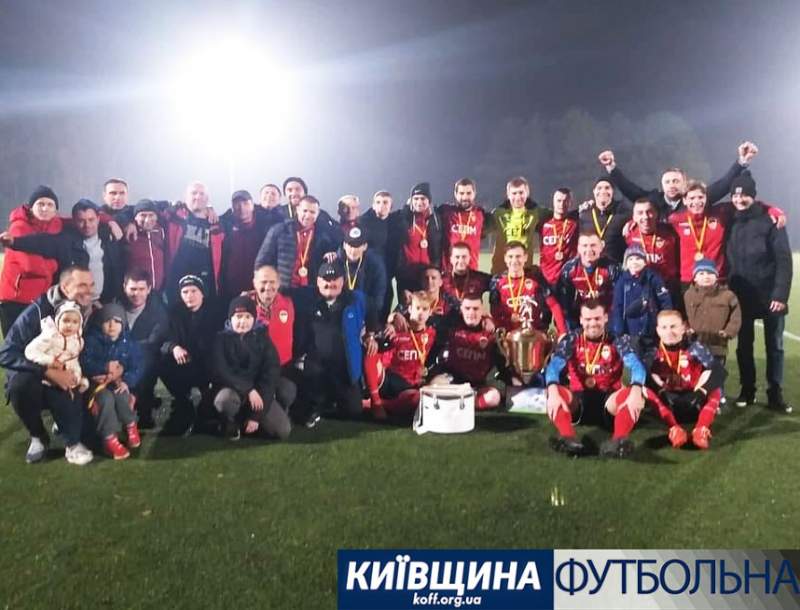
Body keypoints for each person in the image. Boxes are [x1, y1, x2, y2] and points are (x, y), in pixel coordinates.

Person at [0, 266, 95, 465]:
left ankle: (68, 432)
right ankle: (38, 436)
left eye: (91, 285)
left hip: (69, 371)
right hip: (35, 374)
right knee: (19, 385)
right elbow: (7, 353)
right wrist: (46, 371)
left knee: (91, 434)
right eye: (82, 285)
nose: (89, 291)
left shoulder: (89, 309)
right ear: (65, 287)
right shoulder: (36, 311)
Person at [725, 173, 793, 413]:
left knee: (774, 346)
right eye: (735, 195)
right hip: (741, 296)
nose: (739, 199)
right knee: (744, 347)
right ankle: (748, 390)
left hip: (770, 296)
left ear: (753, 196)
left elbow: (784, 260)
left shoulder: (770, 220)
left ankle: (775, 394)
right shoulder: (728, 219)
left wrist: (780, 295)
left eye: (744, 195)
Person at [544, 300, 647, 458]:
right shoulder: (572, 339)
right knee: (553, 390)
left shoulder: (617, 340)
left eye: (597, 318)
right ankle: (568, 438)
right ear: (581, 320)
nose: (592, 323)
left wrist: (636, 390)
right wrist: (552, 390)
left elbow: (637, 367)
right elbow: (553, 368)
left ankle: (618, 441)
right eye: (588, 319)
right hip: (578, 402)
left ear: (606, 318)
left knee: (634, 393)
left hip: (608, 402)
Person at [297, 261, 378, 426]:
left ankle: (333, 401)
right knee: (307, 410)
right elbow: (282, 291)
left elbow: (373, 309)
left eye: (335, 279)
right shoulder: (307, 298)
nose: (330, 284)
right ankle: (320, 402)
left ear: (342, 281)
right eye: (326, 280)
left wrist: (371, 335)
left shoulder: (355, 299)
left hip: (345, 371)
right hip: (317, 370)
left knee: (354, 411)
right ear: (318, 281)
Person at [0, 199, 124, 304]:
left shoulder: (110, 239)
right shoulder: (65, 241)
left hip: (103, 302)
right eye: (81, 221)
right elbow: (41, 242)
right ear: (74, 221)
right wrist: (15, 241)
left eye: (91, 220)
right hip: (72, 303)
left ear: (98, 219)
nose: (87, 225)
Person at [597, 142, 758, 218]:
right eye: (667, 182)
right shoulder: (654, 200)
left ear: (684, 183)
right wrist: (611, 167)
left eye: (675, 181)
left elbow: (723, 185)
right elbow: (630, 189)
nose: (671, 185)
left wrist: (741, 162)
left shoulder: (694, 199)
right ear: (662, 185)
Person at [211, 296, 291, 441]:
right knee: (224, 400)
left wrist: (256, 417)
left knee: (283, 431)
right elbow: (222, 372)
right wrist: (248, 389)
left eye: (248, 317)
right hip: (233, 391)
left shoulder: (264, 339)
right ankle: (230, 421)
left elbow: (270, 376)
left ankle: (248, 420)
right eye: (238, 316)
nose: (243, 321)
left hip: (258, 394)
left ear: (254, 319)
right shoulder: (220, 340)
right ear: (230, 318)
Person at [643, 310, 725, 450]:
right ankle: (674, 429)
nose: (669, 332)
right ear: (658, 330)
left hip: (694, 401)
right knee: (644, 387)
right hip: (668, 403)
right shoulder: (653, 351)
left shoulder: (695, 347)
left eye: (673, 326)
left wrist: (701, 392)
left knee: (715, 386)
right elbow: (644, 376)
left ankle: (701, 429)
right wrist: (661, 390)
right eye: (664, 327)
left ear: (684, 327)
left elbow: (719, 372)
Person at [81, 303, 143, 460]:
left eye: (116, 321)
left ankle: (130, 425)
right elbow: (85, 363)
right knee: (105, 399)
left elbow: (136, 366)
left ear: (123, 324)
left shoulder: (128, 342)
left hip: (118, 382)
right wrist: (103, 367)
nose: (112, 325)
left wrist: (127, 381)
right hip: (97, 385)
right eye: (107, 321)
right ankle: (109, 438)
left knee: (122, 395)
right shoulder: (92, 341)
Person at [0, 185, 63, 334]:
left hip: (39, 300)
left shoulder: (55, 225)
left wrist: (109, 221)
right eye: (40, 204)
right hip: (16, 299)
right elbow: (30, 265)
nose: (45, 208)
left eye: (50, 205)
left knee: (37, 345)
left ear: (55, 210)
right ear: (30, 207)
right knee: (15, 344)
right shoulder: (19, 227)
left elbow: (77, 218)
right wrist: (55, 264)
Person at [159, 275, 216, 435]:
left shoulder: (214, 312)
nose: (189, 296)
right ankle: (183, 401)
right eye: (185, 292)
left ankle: (207, 403)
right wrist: (174, 347)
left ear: (202, 293)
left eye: (193, 291)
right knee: (161, 360)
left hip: (208, 365)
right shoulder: (174, 313)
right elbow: (164, 338)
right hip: (184, 363)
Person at [369, 291, 439, 418]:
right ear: (410, 309)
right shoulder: (397, 331)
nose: (420, 313)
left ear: (430, 312)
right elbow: (382, 358)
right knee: (371, 356)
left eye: (424, 309)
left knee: (419, 398)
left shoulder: (432, 333)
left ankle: (378, 404)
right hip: (390, 380)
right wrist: (392, 319)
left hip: (412, 385)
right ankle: (376, 402)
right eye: (417, 308)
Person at [114, 269, 169, 428]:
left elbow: (153, 342)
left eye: (141, 289)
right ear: (124, 287)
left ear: (149, 289)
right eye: (132, 289)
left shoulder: (159, 310)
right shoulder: (114, 307)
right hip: (117, 355)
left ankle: (142, 407)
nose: (136, 294)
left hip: (146, 357)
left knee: (145, 361)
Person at [431, 294, 505, 410]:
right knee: (435, 386)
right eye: (467, 308)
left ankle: (461, 404)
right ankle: (462, 403)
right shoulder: (452, 324)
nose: (471, 312)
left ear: (482, 310)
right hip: (452, 381)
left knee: (493, 398)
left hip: (479, 385)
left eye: (475, 309)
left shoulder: (491, 333)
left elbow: (502, 362)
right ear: (461, 310)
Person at [683, 259, 741, 404]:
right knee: (697, 371)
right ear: (695, 277)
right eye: (701, 273)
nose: (706, 276)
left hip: (717, 344)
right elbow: (682, 315)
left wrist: (728, 332)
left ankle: (718, 397)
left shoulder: (728, 295)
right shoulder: (688, 295)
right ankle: (697, 396)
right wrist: (686, 329)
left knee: (716, 371)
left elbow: (736, 317)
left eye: (710, 273)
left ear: (716, 276)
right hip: (695, 344)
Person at [246, 265, 300, 418]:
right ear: (254, 283)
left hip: (280, 369)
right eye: (263, 282)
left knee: (288, 392)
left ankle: (277, 408)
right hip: (252, 371)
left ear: (279, 283)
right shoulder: (244, 305)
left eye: (272, 282)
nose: (268, 287)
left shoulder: (288, 304)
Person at [255, 195, 340, 288]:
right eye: (305, 211)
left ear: (318, 213)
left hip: (312, 288)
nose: (308, 216)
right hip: (282, 288)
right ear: (298, 210)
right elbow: (262, 262)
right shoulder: (279, 230)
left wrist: (332, 253)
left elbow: (338, 249)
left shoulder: (323, 234)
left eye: (312, 212)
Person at [163, 182, 225, 307]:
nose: (198, 197)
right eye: (194, 193)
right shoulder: (173, 216)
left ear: (207, 199)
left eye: (202, 194)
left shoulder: (216, 224)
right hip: (176, 284)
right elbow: (146, 209)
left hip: (205, 285)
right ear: (185, 197)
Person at [489, 241, 566, 334]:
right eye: (510, 257)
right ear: (505, 258)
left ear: (525, 257)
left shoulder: (536, 278)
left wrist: (562, 332)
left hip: (535, 335)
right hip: (508, 336)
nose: (514, 261)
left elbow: (553, 304)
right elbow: (495, 312)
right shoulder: (497, 281)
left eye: (518, 256)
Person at [610, 244, 672, 349]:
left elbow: (665, 301)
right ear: (626, 263)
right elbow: (617, 306)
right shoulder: (622, 282)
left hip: (651, 330)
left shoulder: (653, 278)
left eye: (638, 258)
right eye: (631, 259)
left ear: (644, 261)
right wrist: (619, 329)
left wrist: (665, 324)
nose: (634, 262)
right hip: (630, 330)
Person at [386, 182, 443, 294]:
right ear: (411, 200)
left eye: (423, 198)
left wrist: (436, 268)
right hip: (406, 275)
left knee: (426, 304)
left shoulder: (435, 219)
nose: (419, 202)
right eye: (416, 199)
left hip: (427, 276)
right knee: (406, 304)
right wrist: (406, 208)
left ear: (429, 200)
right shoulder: (403, 218)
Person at [556, 231, 619, 329]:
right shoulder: (569, 269)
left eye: (593, 245)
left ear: (601, 246)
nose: (589, 250)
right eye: (585, 246)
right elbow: (565, 305)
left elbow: (619, 301)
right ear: (578, 248)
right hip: (581, 319)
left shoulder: (612, 268)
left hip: (606, 319)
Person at [219, 190, 274, 303]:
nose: (241, 208)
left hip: (259, 288)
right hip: (230, 290)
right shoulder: (224, 225)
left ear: (253, 205)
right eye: (237, 204)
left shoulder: (265, 225)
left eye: (245, 203)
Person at [624, 198, 679, 296]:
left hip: (667, 286)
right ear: (634, 217)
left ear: (656, 214)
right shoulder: (629, 233)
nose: (645, 217)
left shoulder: (670, 231)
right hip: (640, 287)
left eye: (649, 212)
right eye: (640, 213)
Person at [489, 176, 543, 275]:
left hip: (524, 269)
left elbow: (557, 215)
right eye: (514, 193)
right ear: (508, 195)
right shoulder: (498, 213)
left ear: (527, 193)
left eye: (521, 193)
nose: (518, 197)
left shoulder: (536, 212)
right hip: (500, 270)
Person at [438, 178, 490, 272]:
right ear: (455, 194)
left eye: (468, 193)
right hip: (448, 272)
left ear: (474, 193)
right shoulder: (446, 211)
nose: (465, 197)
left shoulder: (480, 214)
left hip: (471, 271)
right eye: (461, 193)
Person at [335, 224, 387, 318]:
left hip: (365, 315)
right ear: (344, 245)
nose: (353, 250)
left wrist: (357, 301)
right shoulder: (335, 262)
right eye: (350, 245)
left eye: (357, 245)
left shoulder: (376, 265)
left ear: (365, 246)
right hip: (339, 313)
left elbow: (378, 302)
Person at [577, 177, 631, 263]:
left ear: (613, 191)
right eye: (599, 188)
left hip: (616, 266)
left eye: (607, 188)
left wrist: (631, 222)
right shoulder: (584, 215)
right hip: (592, 265)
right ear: (594, 191)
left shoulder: (623, 213)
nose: (603, 191)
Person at [360, 190, 394, 320]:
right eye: (378, 202)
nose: (381, 206)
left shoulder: (394, 221)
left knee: (386, 301)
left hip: (388, 270)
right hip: (369, 271)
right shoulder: (364, 222)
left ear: (391, 206)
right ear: (373, 205)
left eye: (385, 202)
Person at [124, 199, 166, 293]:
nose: (147, 220)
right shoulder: (129, 233)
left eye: (151, 215)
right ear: (135, 217)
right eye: (143, 215)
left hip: (159, 290)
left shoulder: (161, 231)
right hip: (137, 291)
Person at [538, 188, 578, 287]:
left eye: (565, 201)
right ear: (553, 202)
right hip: (546, 276)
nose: (562, 204)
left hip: (566, 277)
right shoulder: (543, 223)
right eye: (559, 200)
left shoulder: (574, 224)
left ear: (570, 203)